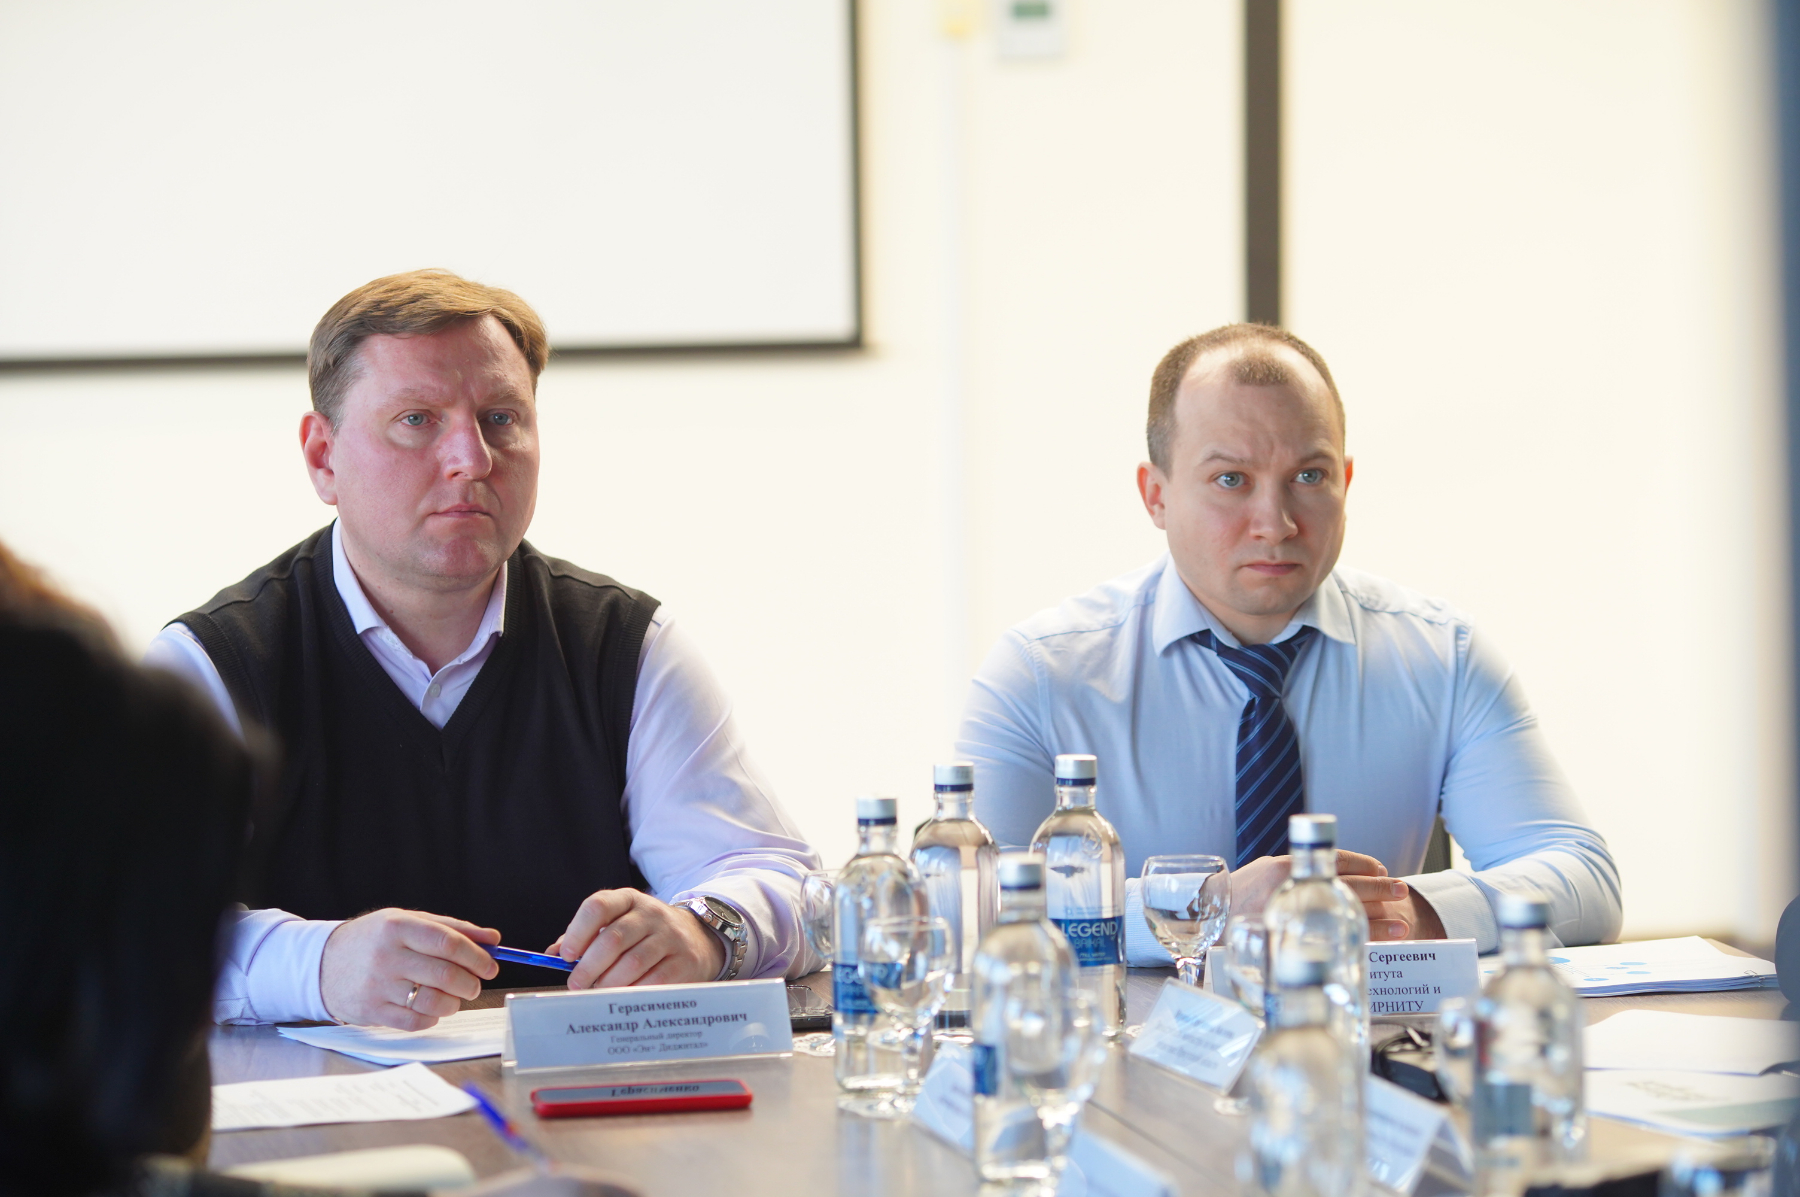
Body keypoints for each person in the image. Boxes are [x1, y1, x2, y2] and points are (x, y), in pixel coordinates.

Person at [145, 270, 820, 1031]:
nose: (472, 458)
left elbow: (788, 882)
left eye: (501, 418)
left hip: (580, 1096)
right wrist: (317, 965)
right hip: (302, 1103)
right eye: (417, 420)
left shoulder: (625, 648)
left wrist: (706, 933)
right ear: (323, 457)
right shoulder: (211, 667)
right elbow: (116, 927)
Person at [956, 324, 1621, 960]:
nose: (1275, 524)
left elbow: (1584, 878)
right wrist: (1202, 908)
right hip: (1124, 1038)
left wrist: (1405, 910)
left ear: (1345, 483)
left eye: (1308, 476)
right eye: (1231, 480)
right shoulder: (1041, 673)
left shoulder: (1442, 657)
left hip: (1366, 1033)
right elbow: (970, 906)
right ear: (1155, 495)